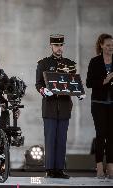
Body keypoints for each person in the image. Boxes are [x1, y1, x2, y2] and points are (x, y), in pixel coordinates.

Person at [35, 34, 82, 179]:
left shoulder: (70, 64)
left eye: (61, 45)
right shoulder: (43, 63)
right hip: (49, 106)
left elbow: (73, 83)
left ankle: (59, 169)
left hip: (64, 106)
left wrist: (79, 91)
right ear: (51, 46)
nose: (59, 48)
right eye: (56, 45)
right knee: (50, 139)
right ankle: (50, 169)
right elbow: (38, 84)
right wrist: (44, 91)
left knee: (62, 139)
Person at [86, 33, 113, 179]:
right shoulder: (95, 61)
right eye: (108, 45)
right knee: (101, 135)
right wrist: (106, 80)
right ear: (101, 45)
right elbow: (89, 83)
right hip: (99, 103)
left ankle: (111, 166)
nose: (111, 48)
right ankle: (99, 167)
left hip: (112, 104)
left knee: (111, 136)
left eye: (112, 46)